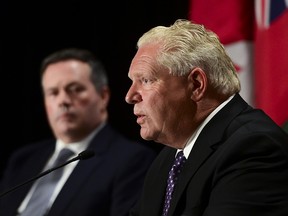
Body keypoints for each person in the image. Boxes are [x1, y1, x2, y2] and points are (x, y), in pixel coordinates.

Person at [125, 19, 288, 216]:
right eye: (133, 82)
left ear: (196, 84)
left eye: (146, 80)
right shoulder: (169, 159)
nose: (130, 96)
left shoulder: (253, 147)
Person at [0, 48, 157, 216]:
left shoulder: (132, 160)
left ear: (103, 96)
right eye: (53, 93)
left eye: (75, 89)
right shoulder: (22, 159)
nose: (63, 101)